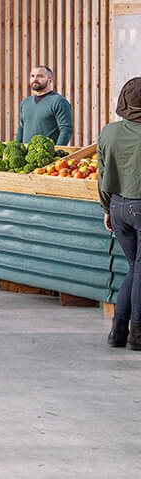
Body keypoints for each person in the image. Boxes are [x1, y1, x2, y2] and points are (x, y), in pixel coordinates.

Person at [101, 77, 141, 349]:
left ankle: (117, 333)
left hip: (117, 206)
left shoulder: (109, 132)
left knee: (134, 268)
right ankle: (138, 336)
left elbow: (102, 175)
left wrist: (107, 209)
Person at [18, 64, 73, 146]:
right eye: (32, 76)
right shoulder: (26, 103)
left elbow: (66, 130)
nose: (35, 79)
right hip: (26, 156)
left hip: (49, 156)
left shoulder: (58, 101)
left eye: (40, 76)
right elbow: (21, 128)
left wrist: (57, 152)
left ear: (50, 80)